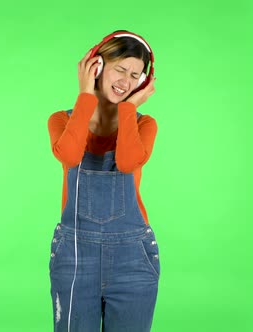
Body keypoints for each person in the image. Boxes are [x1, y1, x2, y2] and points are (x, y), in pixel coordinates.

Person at [47, 30, 160, 332]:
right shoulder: (60, 121)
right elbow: (70, 155)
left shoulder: (144, 125)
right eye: (120, 69)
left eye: (136, 75)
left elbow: (125, 162)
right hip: (74, 257)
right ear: (96, 66)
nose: (126, 81)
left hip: (132, 261)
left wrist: (128, 109)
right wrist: (86, 95)